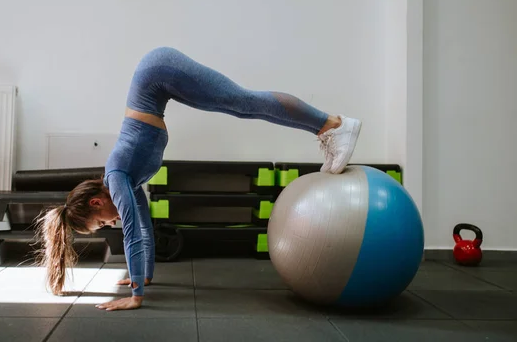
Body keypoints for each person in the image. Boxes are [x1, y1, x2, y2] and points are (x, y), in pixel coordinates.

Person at [35, 47, 361, 311]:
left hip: (157, 72)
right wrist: (144, 277)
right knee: (241, 107)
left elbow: (132, 233)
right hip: (158, 79)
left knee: (243, 101)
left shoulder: (118, 177)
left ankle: (333, 125)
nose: (110, 224)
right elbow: (145, 225)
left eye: (102, 222)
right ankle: (328, 129)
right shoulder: (126, 180)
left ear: (96, 202)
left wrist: (135, 297)